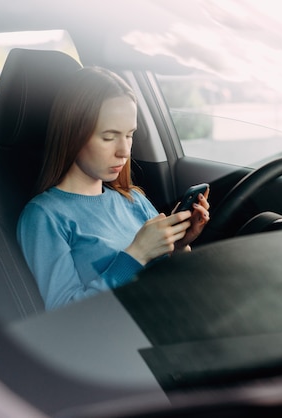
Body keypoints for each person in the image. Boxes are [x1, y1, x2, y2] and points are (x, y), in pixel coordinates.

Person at [17, 67, 210, 310]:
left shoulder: (134, 200)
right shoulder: (45, 217)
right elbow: (64, 316)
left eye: (129, 135)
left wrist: (180, 246)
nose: (124, 151)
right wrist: (136, 255)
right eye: (109, 137)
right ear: (72, 134)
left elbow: (177, 282)